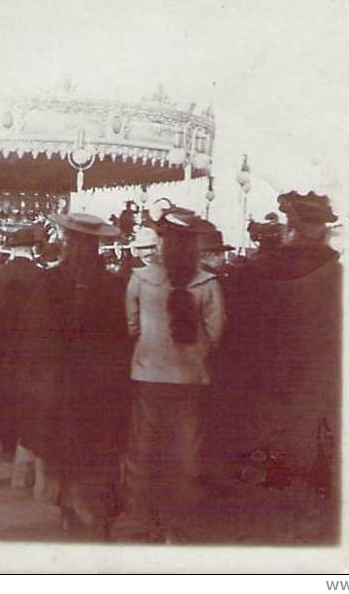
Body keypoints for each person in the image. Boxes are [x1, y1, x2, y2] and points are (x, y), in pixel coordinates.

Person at [11, 213, 130, 539]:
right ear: (96, 247)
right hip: (100, 389)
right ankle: (99, 515)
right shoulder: (113, 284)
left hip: (62, 388)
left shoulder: (50, 282)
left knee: (63, 452)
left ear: (66, 244)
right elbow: (123, 340)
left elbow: (35, 339)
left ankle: (70, 510)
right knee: (99, 453)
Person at [231, 191, 342, 502]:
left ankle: (268, 472)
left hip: (266, 361)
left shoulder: (258, 267)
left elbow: (239, 321)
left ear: (290, 225)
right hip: (319, 362)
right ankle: (316, 474)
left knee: (267, 417)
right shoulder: (338, 271)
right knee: (315, 419)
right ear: (323, 228)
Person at [123, 211, 226, 543]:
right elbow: (216, 331)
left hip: (147, 375)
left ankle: (146, 521)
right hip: (190, 379)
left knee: (145, 449)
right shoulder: (207, 283)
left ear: (162, 243)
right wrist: (194, 354)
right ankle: (178, 526)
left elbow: (131, 326)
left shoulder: (140, 279)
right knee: (185, 451)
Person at [0, 225, 45, 465]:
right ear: (32, 248)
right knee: (30, 389)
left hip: (4, 339)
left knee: (6, 388)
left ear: (12, 248)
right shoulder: (41, 274)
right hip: (32, 340)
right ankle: (26, 437)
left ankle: (7, 439)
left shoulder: (0, 273)